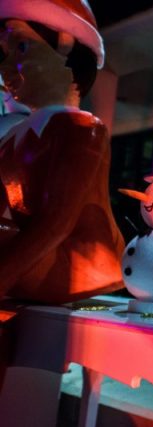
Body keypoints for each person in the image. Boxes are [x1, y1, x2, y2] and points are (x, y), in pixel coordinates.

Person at [0, 0, 124, 303]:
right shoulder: (15, 136)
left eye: (22, 47)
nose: (5, 68)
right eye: (4, 53)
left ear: (65, 44)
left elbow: (57, 223)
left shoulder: (82, 129)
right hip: (39, 261)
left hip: (79, 264)